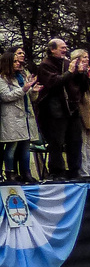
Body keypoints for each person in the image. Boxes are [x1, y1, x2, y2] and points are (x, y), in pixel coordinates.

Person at [0, 45, 41, 183]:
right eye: (15, 62)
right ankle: (10, 172)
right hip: (11, 117)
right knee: (11, 147)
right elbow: (5, 96)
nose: (19, 64)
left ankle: (26, 173)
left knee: (25, 147)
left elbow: (30, 98)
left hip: (25, 116)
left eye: (20, 62)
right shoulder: (2, 78)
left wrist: (33, 91)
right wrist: (24, 89)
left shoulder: (21, 77)